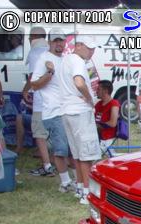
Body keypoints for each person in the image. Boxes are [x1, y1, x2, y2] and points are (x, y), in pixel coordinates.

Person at [58, 34, 101, 205]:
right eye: (89, 48)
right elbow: (79, 82)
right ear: (79, 45)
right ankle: (86, 192)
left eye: (93, 49)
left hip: (67, 110)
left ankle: (80, 187)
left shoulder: (65, 60)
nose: (92, 52)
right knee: (86, 155)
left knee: (77, 154)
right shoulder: (78, 61)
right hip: (80, 110)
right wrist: (89, 98)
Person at [30, 28, 73, 193]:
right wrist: (50, 72)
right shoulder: (44, 58)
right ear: (49, 42)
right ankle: (65, 182)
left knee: (71, 149)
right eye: (55, 41)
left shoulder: (66, 59)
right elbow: (34, 85)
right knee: (61, 150)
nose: (59, 44)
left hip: (68, 110)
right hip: (54, 112)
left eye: (61, 40)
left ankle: (77, 182)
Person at [22, 27, 53, 177]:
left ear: (34, 37)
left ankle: (47, 166)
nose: (28, 39)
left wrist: (25, 91)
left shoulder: (35, 52)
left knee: (40, 134)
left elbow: (32, 77)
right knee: (53, 134)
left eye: (29, 37)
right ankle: (55, 162)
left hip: (41, 101)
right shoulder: (50, 51)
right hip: (55, 102)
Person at [94, 80, 120, 155]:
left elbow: (113, 123)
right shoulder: (98, 104)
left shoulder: (114, 103)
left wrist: (98, 125)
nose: (96, 91)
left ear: (105, 91)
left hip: (108, 139)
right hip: (98, 137)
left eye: (98, 89)